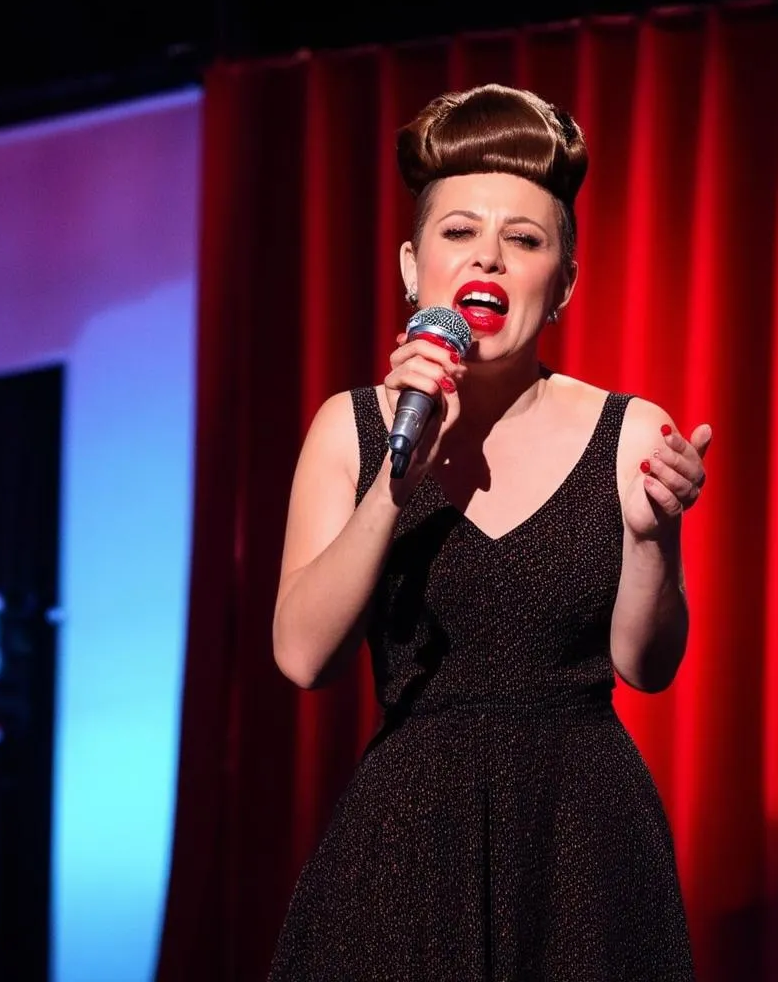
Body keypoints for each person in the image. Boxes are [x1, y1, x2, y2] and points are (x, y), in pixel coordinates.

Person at [268, 83, 711, 981]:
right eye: (459, 232)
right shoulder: (350, 428)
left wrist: (652, 539)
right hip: (408, 836)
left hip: (580, 839)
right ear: (410, 265)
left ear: (566, 282)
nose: (490, 261)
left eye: (525, 240)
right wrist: (401, 479)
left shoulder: (627, 431)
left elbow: (646, 666)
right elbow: (302, 656)